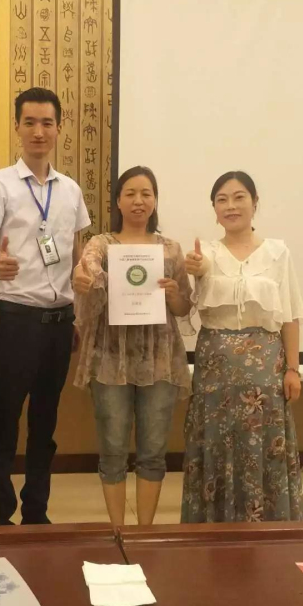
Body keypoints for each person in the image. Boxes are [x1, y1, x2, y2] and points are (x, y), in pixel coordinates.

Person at [0, 87, 90, 526]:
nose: (38, 131)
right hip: (16, 319)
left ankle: (37, 511)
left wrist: (83, 291)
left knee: (45, 423)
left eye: (47, 123)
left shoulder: (71, 190)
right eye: (30, 123)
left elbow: (77, 255)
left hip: (59, 323)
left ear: (59, 128)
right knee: (3, 420)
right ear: (18, 127)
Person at [181, 170, 303, 523]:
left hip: (265, 369)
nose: (231, 206)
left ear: (255, 203)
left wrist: (293, 369)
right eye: (222, 200)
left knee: (262, 446)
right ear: (214, 209)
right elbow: (193, 289)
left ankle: (268, 532)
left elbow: (290, 316)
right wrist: (195, 269)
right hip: (215, 371)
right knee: (215, 444)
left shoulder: (278, 253)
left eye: (239, 197)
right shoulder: (205, 253)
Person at [72, 166, 192, 526]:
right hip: (111, 359)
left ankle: (144, 532)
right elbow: (87, 272)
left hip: (159, 360)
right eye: (130, 193)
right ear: (118, 201)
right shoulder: (101, 244)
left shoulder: (170, 250)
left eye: (146, 193)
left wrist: (174, 294)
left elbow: (183, 308)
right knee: (112, 450)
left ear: (155, 201)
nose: (139, 201)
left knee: (153, 451)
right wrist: (83, 279)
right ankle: (118, 531)